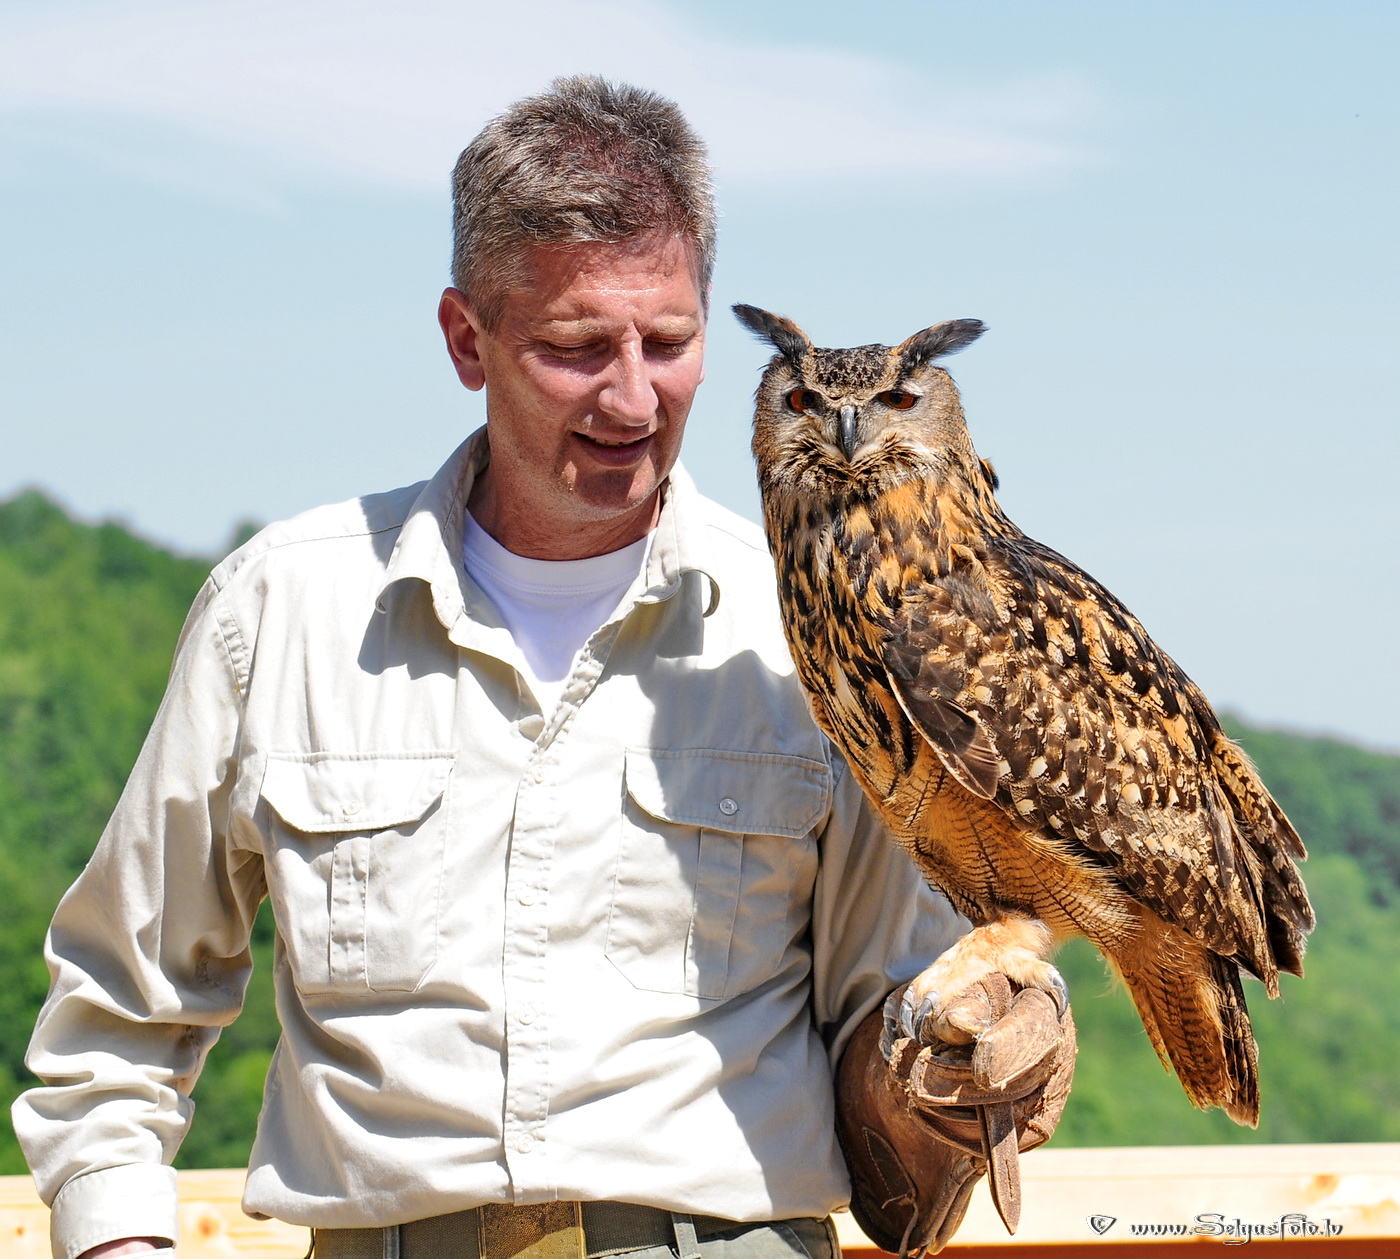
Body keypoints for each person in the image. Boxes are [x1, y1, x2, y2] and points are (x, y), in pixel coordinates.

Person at [15, 77, 1071, 1259]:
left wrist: (954, 1045)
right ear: (467, 340)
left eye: (669, 342)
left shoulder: (817, 635)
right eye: (575, 350)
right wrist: (114, 1245)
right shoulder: (278, 609)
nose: (633, 396)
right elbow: (117, 1016)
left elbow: (890, 1001)